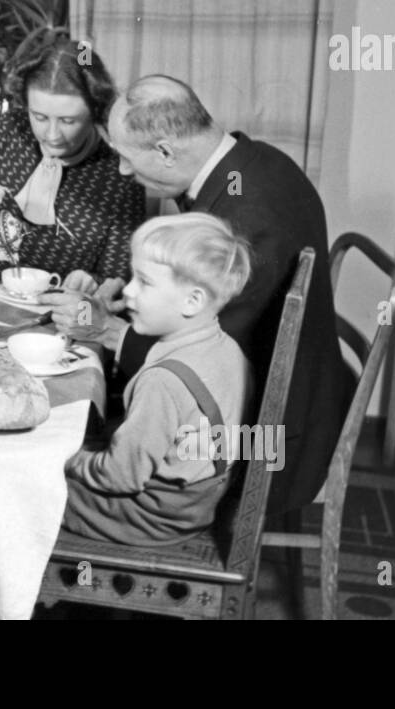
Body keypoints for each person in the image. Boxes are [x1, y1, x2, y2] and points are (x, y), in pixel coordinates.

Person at [47, 75, 348, 516]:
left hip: (264, 449)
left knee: (46, 468)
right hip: (290, 403)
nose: (124, 171)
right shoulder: (255, 163)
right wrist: (131, 303)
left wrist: (110, 332)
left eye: (126, 158)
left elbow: (202, 355)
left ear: (166, 151)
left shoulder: (246, 218)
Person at [63, 213, 253, 545]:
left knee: (23, 489)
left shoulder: (163, 381)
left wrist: (67, 459)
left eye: (144, 281)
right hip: (194, 503)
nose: (130, 291)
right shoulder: (228, 349)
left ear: (192, 301)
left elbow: (120, 477)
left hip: (149, 516)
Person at [0, 29, 145, 282]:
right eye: (39, 117)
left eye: (68, 120)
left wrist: (91, 283)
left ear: (95, 110)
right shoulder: (9, 129)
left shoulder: (120, 175)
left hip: (57, 315)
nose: (52, 135)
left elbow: (118, 279)